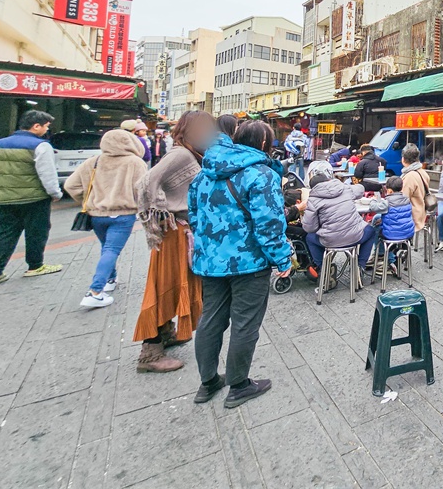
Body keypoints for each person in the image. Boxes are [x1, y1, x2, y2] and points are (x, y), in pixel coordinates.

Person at [189, 120, 292, 408]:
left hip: (210, 262)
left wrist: (211, 247)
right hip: (249, 263)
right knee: (245, 324)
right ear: (263, 145)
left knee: (210, 319)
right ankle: (238, 385)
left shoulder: (204, 173)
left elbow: (194, 218)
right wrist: (282, 258)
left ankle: (208, 382)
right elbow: (269, 224)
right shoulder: (261, 175)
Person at [133, 110, 216, 373]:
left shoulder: (193, 154)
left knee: (178, 285)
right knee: (164, 287)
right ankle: (150, 351)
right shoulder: (180, 154)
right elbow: (145, 183)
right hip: (173, 234)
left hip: (184, 233)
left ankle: (166, 332)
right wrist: (159, 213)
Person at [64, 127, 147, 308]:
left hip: (96, 215)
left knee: (107, 248)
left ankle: (110, 280)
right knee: (111, 250)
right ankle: (95, 291)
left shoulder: (94, 161)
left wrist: (88, 200)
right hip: (123, 214)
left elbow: (71, 185)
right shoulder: (135, 162)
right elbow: (143, 190)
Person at [0, 110, 64, 287]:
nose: (46, 130)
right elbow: (47, 174)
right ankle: (35, 266)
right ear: (36, 126)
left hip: (4, 198)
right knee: (36, 232)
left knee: (5, 233)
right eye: (46, 126)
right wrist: (55, 193)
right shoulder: (40, 146)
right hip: (34, 198)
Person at [302, 162, 377, 279]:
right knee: (371, 231)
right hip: (355, 237)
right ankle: (360, 266)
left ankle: (323, 268)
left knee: (309, 238)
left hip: (330, 240)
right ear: (328, 180)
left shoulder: (313, 199)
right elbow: (361, 189)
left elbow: (309, 228)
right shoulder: (344, 188)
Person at [369, 175, 416, 277]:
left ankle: (386, 259)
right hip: (408, 233)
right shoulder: (407, 200)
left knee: (376, 226)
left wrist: (373, 199)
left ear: (389, 190)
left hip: (391, 234)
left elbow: (373, 207)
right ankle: (386, 256)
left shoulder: (387, 202)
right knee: (378, 219)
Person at [400, 143, 431, 231]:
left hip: (411, 218)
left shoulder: (410, 176)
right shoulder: (422, 172)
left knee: (378, 220)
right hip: (421, 213)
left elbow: (403, 199)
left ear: (403, 159)